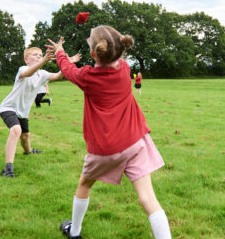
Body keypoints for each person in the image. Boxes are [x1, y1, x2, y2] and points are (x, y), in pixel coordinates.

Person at [47, 26, 171, 239]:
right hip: (135, 142)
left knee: (84, 184)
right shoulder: (124, 68)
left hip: (106, 149)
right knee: (148, 198)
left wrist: (60, 52)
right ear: (120, 51)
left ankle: (74, 232)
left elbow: (68, 70)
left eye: (89, 42)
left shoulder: (88, 77)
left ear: (94, 53)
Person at [0, 47, 81, 178]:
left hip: (23, 112)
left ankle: (29, 152)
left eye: (41, 55)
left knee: (25, 137)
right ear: (26, 59)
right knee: (15, 130)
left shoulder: (42, 74)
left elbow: (58, 75)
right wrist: (43, 60)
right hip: (8, 107)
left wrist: (68, 62)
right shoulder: (23, 69)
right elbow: (29, 73)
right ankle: (8, 169)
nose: (39, 56)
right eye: (35, 55)